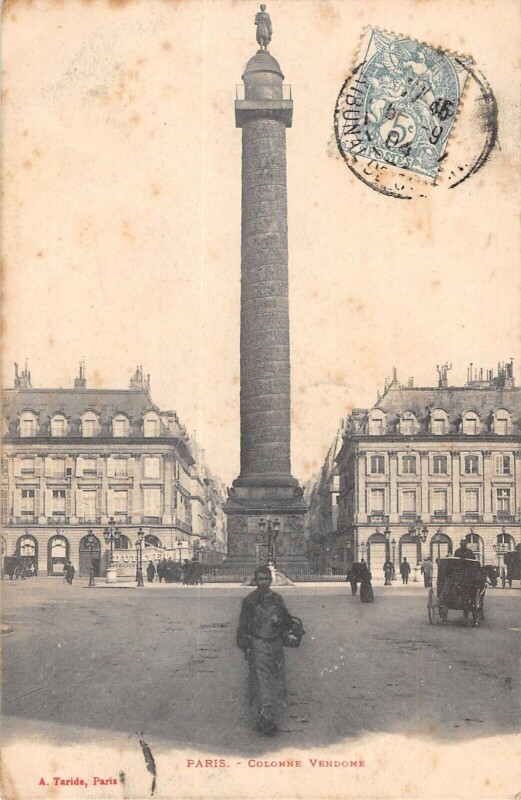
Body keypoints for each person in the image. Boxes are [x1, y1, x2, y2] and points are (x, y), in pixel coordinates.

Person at [236, 565, 296, 735]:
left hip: (275, 644)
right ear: (255, 581)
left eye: (266, 579)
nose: (263, 582)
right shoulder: (249, 601)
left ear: (270, 580)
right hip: (258, 643)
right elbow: (242, 626)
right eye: (260, 579)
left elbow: (289, 621)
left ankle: (267, 714)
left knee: (276, 679)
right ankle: (266, 719)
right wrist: (246, 646)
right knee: (262, 681)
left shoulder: (277, 599)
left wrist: (280, 622)